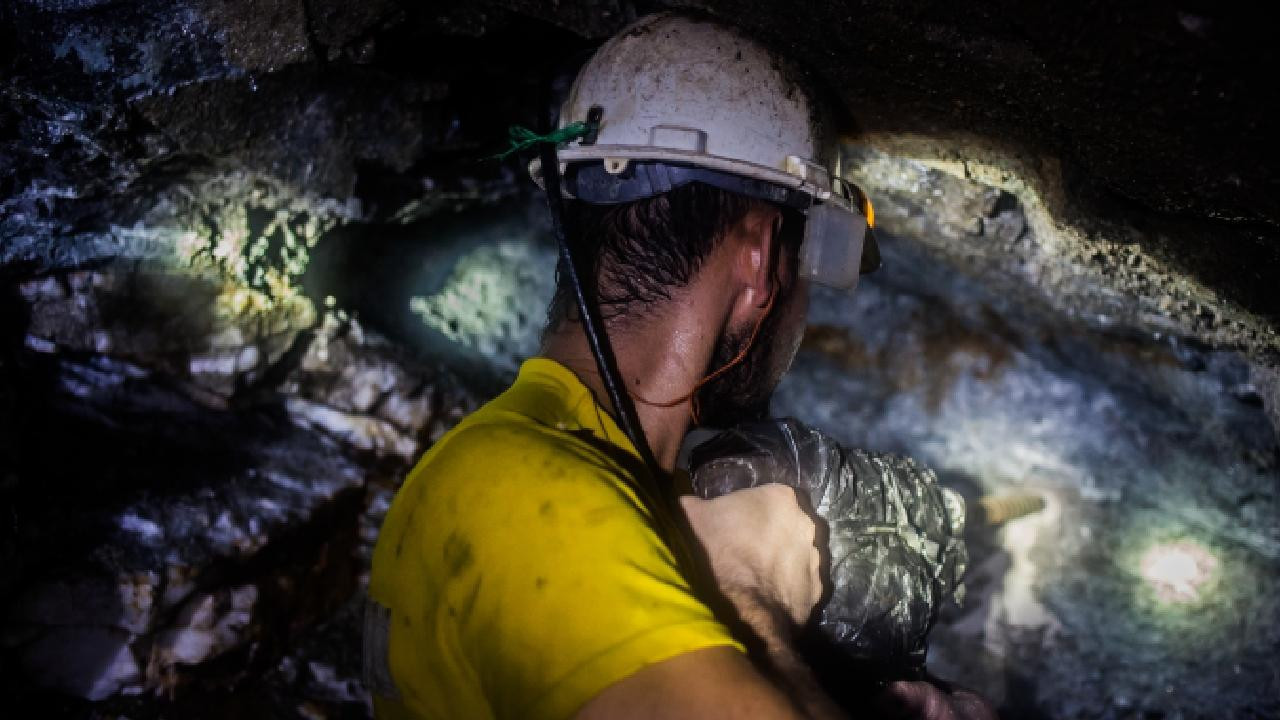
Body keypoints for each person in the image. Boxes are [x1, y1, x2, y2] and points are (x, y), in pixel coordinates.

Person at [366, 12, 994, 720]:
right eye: (814, 262)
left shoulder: (539, 469)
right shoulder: (534, 498)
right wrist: (751, 593)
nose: (805, 309)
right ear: (759, 257)